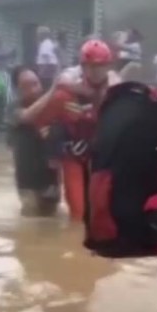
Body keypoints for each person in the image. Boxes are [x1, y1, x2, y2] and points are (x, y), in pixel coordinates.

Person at [25, 39, 116, 222]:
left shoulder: (116, 91)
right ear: (82, 66)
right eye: (90, 66)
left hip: (101, 157)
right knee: (78, 214)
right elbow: (41, 123)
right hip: (73, 157)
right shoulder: (65, 95)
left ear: (108, 66)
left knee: (105, 211)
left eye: (100, 66)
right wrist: (56, 148)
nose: (96, 71)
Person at [6, 66, 60, 216]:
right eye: (27, 86)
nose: (34, 89)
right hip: (27, 183)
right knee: (31, 222)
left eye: (35, 83)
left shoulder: (53, 106)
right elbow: (27, 116)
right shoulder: (12, 109)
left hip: (50, 180)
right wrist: (53, 89)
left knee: (52, 220)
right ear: (18, 90)